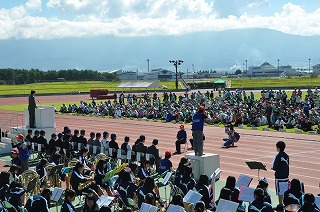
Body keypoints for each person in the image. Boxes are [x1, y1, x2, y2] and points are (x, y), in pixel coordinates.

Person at [272, 141, 289, 211]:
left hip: (279, 177)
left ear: (278, 148)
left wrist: (273, 168)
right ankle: (285, 205)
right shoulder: (286, 156)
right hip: (285, 176)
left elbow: (275, 166)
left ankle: (280, 205)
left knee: (279, 192)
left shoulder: (278, 156)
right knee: (285, 191)